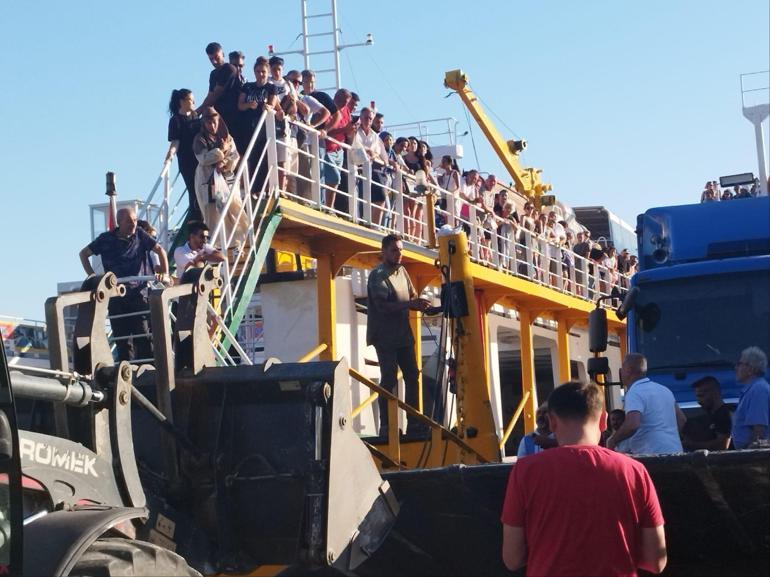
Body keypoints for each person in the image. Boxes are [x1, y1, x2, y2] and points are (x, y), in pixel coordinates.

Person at [501, 381, 667, 576]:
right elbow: (656, 561)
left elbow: (512, 559)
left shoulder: (525, 472)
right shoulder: (635, 471)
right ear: (604, 420)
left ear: (552, 422)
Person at [79, 207, 170, 362]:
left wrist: (166, 274)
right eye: (129, 221)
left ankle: (149, 374)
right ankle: (126, 374)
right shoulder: (105, 239)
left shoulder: (140, 235)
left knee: (144, 337)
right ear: (119, 222)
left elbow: (160, 250)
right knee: (122, 341)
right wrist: (93, 277)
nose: (133, 224)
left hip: (138, 294)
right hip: (116, 296)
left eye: (134, 220)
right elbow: (84, 254)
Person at [366, 234, 431, 436]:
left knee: (412, 375)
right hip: (384, 336)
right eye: (394, 250)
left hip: (402, 334)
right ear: (383, 252)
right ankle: (387, 426)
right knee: (389, 379)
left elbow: (411, 297)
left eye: (401, 250)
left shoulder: (402, 271)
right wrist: (411, 304)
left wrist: (422, 304)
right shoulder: (377, 275)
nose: (399, 254)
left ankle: (414, 423)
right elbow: (383, 306)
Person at [607, 353, 685, 454]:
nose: (620, 372)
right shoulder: (664, 390)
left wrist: (613, 440)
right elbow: (682, 420)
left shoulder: (634, 392)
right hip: (676, 452)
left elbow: (632, 424)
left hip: (652, 456)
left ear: (628, 370)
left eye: (622, 368)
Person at [192, 107, 248, 249]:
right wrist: (222, 151)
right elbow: (204, 159)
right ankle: (215, 247)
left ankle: (239, 242)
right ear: (204, 123)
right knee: (212, 214)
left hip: (226, 178)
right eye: (209, 123)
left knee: (234, 208)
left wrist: (224, 164)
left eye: (214, 122)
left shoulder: (227, 137)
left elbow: (235, 157)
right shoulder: (199, 139)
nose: (212, 126)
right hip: (207, 180)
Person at [237, 56, 279, 192]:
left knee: (262, 158)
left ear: (267, 73)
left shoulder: (271, 88)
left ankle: (261, 189)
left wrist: (267, 106)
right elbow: (240, 105)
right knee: (249, 157)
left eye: (263, 72)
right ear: (254, 72)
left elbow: (272, 104)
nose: (261, 74)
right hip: (247, 126)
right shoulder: (247, 87)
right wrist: (249, 104)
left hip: (263, 128)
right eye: (258, 71)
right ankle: (250, 188)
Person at [165, 89, 202, 222]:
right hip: (187, 160)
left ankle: (200, 214)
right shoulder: (175, 120)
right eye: (190, 100)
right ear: (182, 101)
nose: (193, 102)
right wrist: (169, 155)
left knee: (202, 186)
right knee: (193, 189)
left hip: (200, 158)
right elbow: (175, 141)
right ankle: (195, 217)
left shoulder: (195, 116)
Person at [197, 42, 242, 139]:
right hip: (219, 117)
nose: (214, 62)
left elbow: (216, 94)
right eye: (211, 59)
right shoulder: (213, 74)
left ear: (222, 54)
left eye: (216, 58)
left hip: (233, 115)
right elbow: (210, 95)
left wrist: (198, 112)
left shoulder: (229, 69)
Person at [732, 346, 770, 449]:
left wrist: (748, 456)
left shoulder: (758, 390)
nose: (736, 368)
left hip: (753, 458)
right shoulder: (752, 389)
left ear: (751, 369)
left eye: (739, 364)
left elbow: (759, 432)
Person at [681, 376, 732, 451]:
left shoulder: (724, 415)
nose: (699, 401)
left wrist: (691, 444)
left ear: (714, 394)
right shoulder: (711, 415)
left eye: (701, 396)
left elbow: (723, 445)